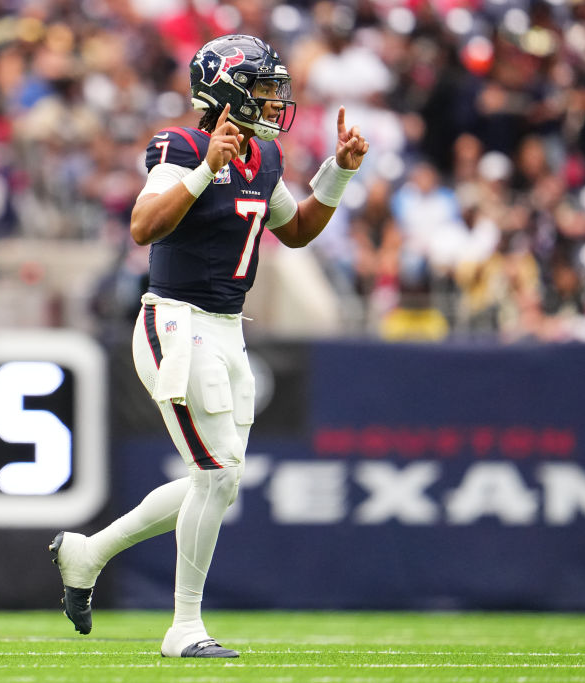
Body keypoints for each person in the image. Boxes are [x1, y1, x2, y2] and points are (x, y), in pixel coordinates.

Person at [49, 33, 368, 658]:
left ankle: (87, 554)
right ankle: (184, 626)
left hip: (226, 327)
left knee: (217, 478)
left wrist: (339, 172)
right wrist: (205, 171)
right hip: (174, 320)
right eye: (264, 89)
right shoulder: (183, 146)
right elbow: (143, 226)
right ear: (227, 92)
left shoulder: (264, 158)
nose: (275, 101)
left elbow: (296, 230)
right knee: (217, 475)